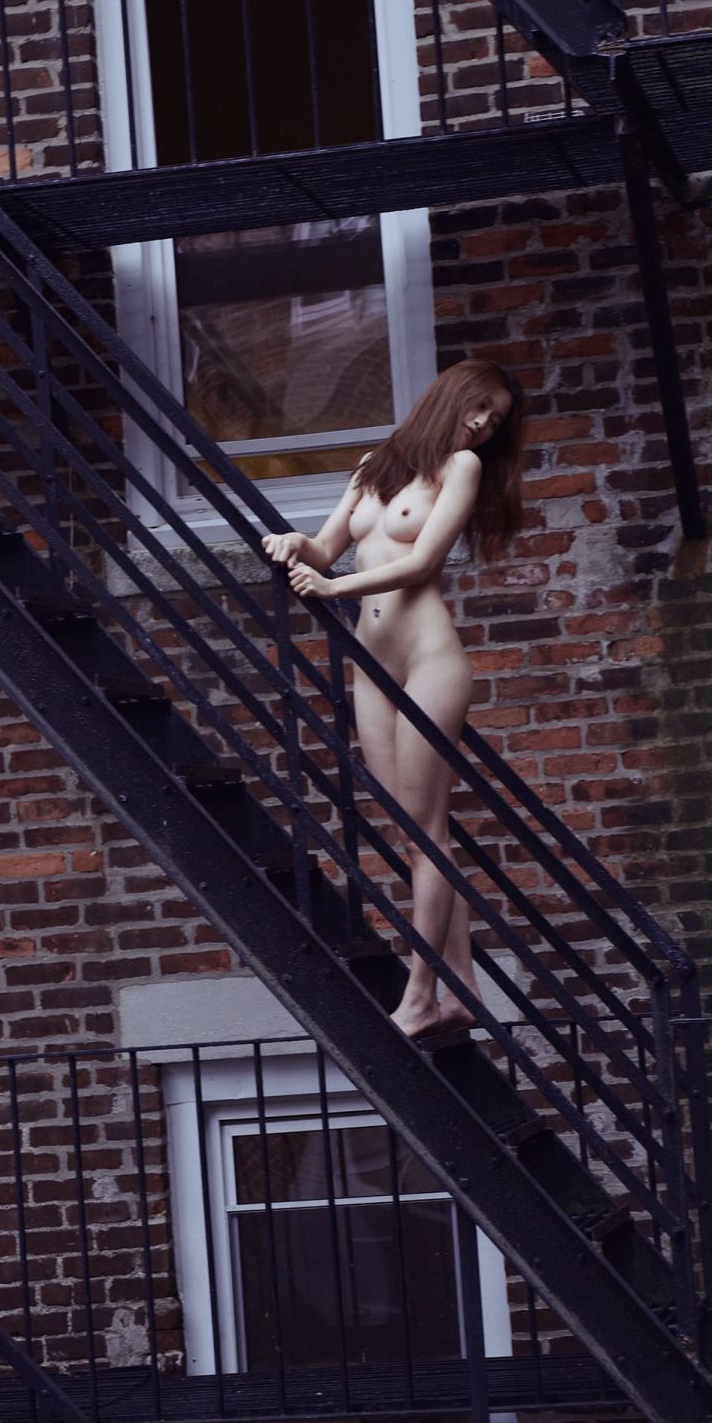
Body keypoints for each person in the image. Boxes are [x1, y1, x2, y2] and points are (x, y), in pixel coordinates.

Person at [262, 358, 525, 1039]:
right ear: (450, 397)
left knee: (428, 834)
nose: (483, 424)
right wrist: (295, 544)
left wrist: (334, 591)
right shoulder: (373, 466)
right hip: (374, 666)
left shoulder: (461, 468)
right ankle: (464, 990)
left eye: (496, 420)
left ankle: (420, 996)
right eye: (479, 407)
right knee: (413, 839)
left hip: (429, 660)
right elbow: (326, 548)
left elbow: (421, 562)